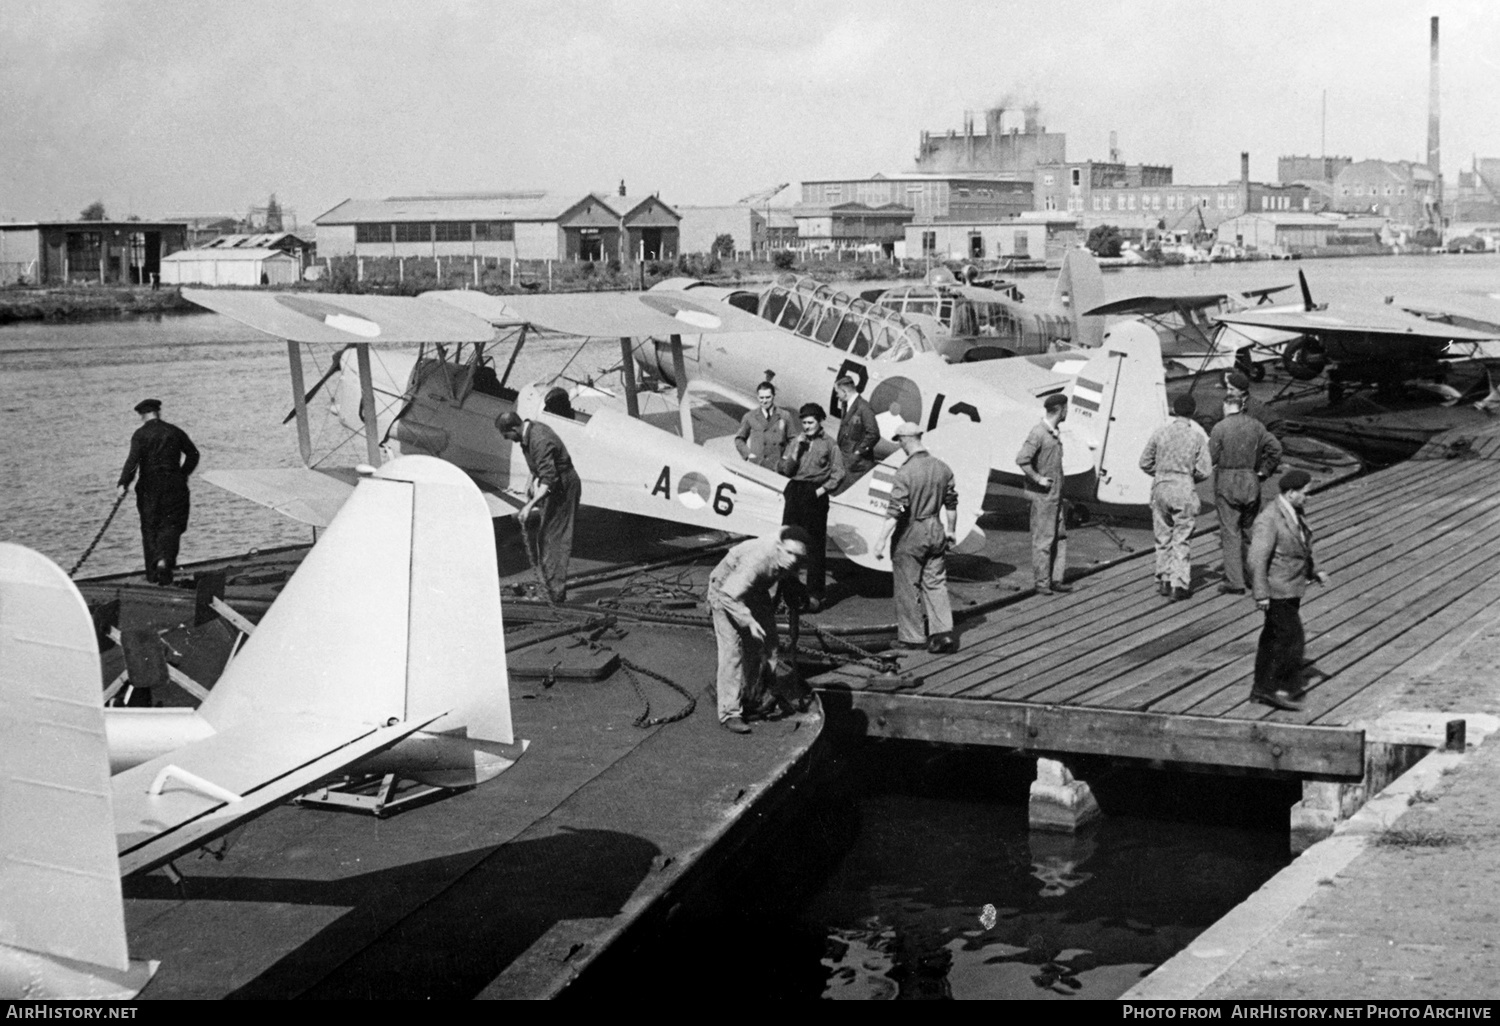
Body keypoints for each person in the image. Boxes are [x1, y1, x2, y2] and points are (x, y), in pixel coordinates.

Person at [706, 526, 810, 734]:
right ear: (779, 548)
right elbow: (729, 596)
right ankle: (729, 712)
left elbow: (791, 562)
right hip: (726, 590)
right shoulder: (757, 561)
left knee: (768, 644)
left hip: (755, 589)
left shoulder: (791, 546)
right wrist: (749, 622)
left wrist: (794, 585)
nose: (792, 560)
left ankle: (753, 695)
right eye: (789, 554)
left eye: (797, 557)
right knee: (732, 651)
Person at [1247, 469, 1330, 711]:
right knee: (1291, 637)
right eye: (1305, 493)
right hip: (1276, 589)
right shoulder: (1269, 519)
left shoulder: (1294, 511)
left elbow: (1303, 545)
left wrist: (1316, 570)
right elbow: (1256, 559)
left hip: (1291, 586)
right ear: (1291, 493)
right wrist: (1261, 593)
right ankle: (1278, 688)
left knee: (1272, 637)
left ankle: (1260, 688)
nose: (1309, 497)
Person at [875, 423, 959, 653]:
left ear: (905, 439)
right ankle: (942, 633)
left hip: (912, 532)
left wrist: (882, 539)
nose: (900, 445)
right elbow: (951, 503)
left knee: (907, 584)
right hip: (936, 528)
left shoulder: (905, 472)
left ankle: (913, 637)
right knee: (935, 582)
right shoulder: (942, 467)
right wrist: (951, 530)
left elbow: (897, 510)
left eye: (900, 441)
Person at [495, 410, 582, 603]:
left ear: (514, 428)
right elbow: (540, 467)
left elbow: (549, 478)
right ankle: (552, 587)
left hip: (563, 487)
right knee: (546, 538)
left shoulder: (539, 439)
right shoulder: (528, 433)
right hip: (556, 485)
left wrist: (528, 507)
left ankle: (556, 594)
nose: (507, 439)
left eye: (506, 435)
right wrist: (531, 482)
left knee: (554, 540)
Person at [117, 398, 199, 585]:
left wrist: (123, 484)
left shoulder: (140, 434)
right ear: (158, 412)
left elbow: (133, 462)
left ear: (143, 415)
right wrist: (182, 474)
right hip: (174, 485)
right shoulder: (174, 431)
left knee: (150, 527)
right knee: (172, 526)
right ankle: (164, 562)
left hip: (149, 487)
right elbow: (193, 454)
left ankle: (153, 572)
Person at [1209, 391, 1283, 595]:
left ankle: (1236, 582)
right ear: (1242, 406)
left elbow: (1211, 457)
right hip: (1251, 481)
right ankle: (1256, 579)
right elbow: (1276, 448)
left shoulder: (1219, 428)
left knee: (1230, 532)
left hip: (1227, 482)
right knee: (1250, 532)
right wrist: (1265, 470)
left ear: (1226, 407)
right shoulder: (1257, 426)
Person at [1139, 393, 1212, 600]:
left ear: (1174, 411)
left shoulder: (1160, 433)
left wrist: (1162, 472)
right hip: (1183, 488)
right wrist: (1187, 476)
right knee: (1182, 538)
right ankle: (1178, 585)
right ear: (1193, 413)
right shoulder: (1197, 437)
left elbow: (1144, 462)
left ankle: (1163, 579)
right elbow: (1205, 470)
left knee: (1162, 536)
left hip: (1161, 487)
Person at [778, 403, 844, 611]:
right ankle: (786, 594)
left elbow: (839, 472)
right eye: (804, 423)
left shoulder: (829, 444)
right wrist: (796, 450)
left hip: (815, 494)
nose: (806, 427)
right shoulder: (797, 441)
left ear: (819, 421)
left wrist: (821, 491)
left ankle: (815, 594)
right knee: (787, 543)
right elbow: (787, 470)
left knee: (814, 546)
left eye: (810, 423)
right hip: (795, 490)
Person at [1015, 393, 1071, 594]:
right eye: (1066, 408)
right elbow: (1022, 459)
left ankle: (1056, 579)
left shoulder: (1054, 432)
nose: (1067, 412)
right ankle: (1042, 583)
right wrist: (1038, 479)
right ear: (1061, 409)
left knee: (1060, 537)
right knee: (1044, 540)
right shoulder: (1038, 433)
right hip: (1043, 497)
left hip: (1055, 496)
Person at [734, 381, 796, 470]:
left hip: (775, 466)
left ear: (773, 396)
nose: (764, 401)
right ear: (757, 397)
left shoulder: (785, 416)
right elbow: (739, 439)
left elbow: (793, 439)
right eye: (761, 398)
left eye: (768, 397)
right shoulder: (750, 416)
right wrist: (748, 454)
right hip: (755, 464)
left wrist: (786, 457)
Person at [834, 373, 880, 491]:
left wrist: (858, 452)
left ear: (845, 391)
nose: (836, 396)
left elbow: (874, 434)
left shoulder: (863, 407)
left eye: (837, 392)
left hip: (856, 466)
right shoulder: (847, 406)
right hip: (846, 462)